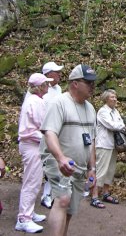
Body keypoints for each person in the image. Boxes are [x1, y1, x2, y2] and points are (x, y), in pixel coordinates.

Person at [40, 64, 97, 236]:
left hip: (79, 165)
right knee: (63, 200)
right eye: (88, 83)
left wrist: (92, 168)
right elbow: (49, 133)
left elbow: (92, 141)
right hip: (58, 161)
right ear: (75, 83)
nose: (92, 87)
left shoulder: (90, 108)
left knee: (71, 209)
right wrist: (60, 158)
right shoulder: (59, 103)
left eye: (93, 83)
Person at [15, 73, 53, 233]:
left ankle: (29, 212)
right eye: (46, 84)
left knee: (33, 181)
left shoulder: (33, 100)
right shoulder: (35, 101)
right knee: (31, 182)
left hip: (32, 144)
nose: (48, 87)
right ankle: (24, 218)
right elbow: (42, 124)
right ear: (40, 87)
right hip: (31, 144)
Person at [90, 89, 126, 209]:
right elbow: (113, 125)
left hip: (113, 145)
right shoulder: (102, 111)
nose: (115, 99)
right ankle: (94, 197)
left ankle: (105, 193)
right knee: (101, 171)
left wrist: (119, 125)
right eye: (112, 97)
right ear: (106, 99)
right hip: (103, 144)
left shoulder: (115, 111)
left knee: (110, 171)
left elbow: (120, 123)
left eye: (115, 97)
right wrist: (119, 125)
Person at [41, 61, 64, 209]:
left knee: (53, 164)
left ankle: (47, 195)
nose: (60, 75)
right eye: (57, 72)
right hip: (42, 133)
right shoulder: (41, 90)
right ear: (49, 75)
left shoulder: (59, 89)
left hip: (55, 131)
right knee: (41, 166)